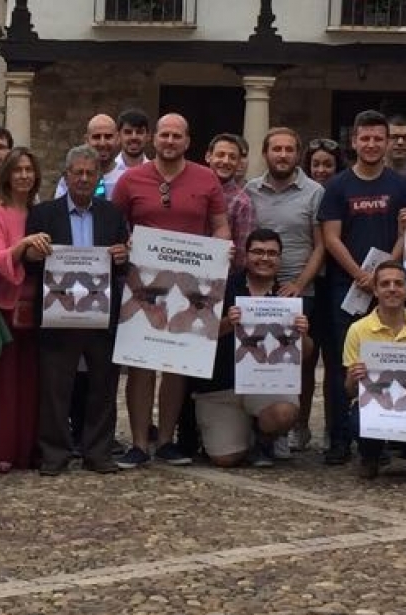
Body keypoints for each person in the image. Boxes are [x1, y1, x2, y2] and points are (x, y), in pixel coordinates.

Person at [110, 112, 231, 469]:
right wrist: (123, 244)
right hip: (144, 282)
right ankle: (138, 442)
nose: (170, 141)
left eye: (177, 136)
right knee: (141, 363)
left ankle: (165, 440)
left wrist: (222, 248)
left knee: (177, 361)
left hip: (192, 280)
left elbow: (220, 225)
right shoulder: (131, 180)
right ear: (154, 139)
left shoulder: (206, 178)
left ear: (187, 141)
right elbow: (114, 224)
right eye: (164, 135)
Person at [25, 145, 130, 475]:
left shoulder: (112, 214)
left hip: (101, 314)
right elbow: (29, 265)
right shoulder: (43, 215)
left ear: (98, 177)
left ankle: (98, 453)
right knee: (55, 389)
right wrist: (33, 254)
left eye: (90, 173)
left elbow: (124, 265)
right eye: (78, 173)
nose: (84, 179)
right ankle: (54, 454)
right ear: (66, 176)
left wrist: (122, 256)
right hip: (58, 314)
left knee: (103, 387)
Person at [317, 111, 406, 466]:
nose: (371, 145)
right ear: (354, 142)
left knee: (387, 360)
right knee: (344, 364)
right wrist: (360, 275)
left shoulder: (401, 187)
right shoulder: (338, 186)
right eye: (365, 139)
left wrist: (385, 274)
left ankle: (381, 434)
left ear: (387, 143)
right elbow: (331, 237)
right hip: (347, 288)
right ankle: (340, 437)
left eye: (378, 139)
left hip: (390, 290)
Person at [193, 230, 309, 467]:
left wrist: (302, 335)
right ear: (245, 256)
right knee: (225, 459)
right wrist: (228, 323)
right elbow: (196, 335)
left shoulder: (289, 297)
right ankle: (244, 431)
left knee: (284, 413)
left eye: (272, 253)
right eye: (258, 252)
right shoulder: (221, 287)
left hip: (267, 385)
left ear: (280, 259)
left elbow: (306, 353)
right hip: (221, 385)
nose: (265, 258)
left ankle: (264, 438)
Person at [246, 127, 325, 454]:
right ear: (265, 153)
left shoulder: (315, 192)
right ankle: (261, 423)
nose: (282, 155)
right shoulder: (251, 189)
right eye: (276, 149)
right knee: (257, 354)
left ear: (298, 154)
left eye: (288, 149)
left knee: (300, 360)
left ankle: (298, 425)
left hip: (298, 288)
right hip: (257, 288)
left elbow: (320, 245)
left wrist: (300, 284)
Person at [0, 147, 47, 473]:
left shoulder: (40, 212)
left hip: (37, 307)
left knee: (29, 382)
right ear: (7, 175)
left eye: (29, 170)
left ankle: (24, 450)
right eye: (18, 170)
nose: (24, 176)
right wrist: (24, 246)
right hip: (4, 308)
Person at [343, 258, 406, 479]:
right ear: (375, 291)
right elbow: (349, 391)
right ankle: (370, 456)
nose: (392, 289)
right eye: (385, 284)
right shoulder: (357, 330)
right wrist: (352, 377)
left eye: (398, 283)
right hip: (375, 402)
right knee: (357, 419)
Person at [207, 133, 255, 271]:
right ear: (208, 156)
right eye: (220, 155)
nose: (226, 161)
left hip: (221, 276)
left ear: (239, 164)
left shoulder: (243, 203)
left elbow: (241, 258)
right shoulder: (192, 189)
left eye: (232, 157)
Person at [54, 113, 127, 199]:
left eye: (108, 137)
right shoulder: (70, 179)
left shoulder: (127, 177)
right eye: (96, 137)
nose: (102, 143)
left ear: (118, 139)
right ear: (86, 140)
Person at [116, 108, 151, 172]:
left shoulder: (155, 172)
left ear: (148, 136)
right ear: (118, 136)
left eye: (139, 132)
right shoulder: (107, 172)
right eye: (128, 132)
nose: (134, 137)